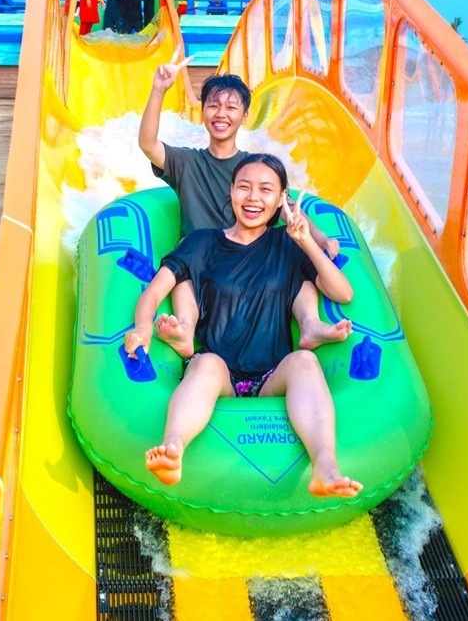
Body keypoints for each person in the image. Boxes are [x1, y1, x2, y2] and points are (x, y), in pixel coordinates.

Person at [125, 155, 363, 499]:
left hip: (272, 374)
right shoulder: (202, 242)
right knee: (206, 363)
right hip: (219, 370)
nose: (253, 198)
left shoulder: (287, 245)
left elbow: (343, 293)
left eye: (266, 190)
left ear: (281, 199)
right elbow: (155, 291)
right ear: (231, 190)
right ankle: (172, 450)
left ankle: (325, 468)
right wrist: (143, 327)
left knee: (306, 361)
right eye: (244, 187)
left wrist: (306, 241)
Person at [137, 52, 350, 361]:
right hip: (204, 260)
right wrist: (159, 89)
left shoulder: (252, 171)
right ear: (202, 112)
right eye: (213, 105)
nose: (221, 114)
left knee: (294, 260)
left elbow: (289, 208)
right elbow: (147, 144)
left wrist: (319, 239)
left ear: (245, 115)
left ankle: (311, 323)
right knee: (185, 265)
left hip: (250, 255)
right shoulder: (186, 162)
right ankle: (185, 328)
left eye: (231, 107)